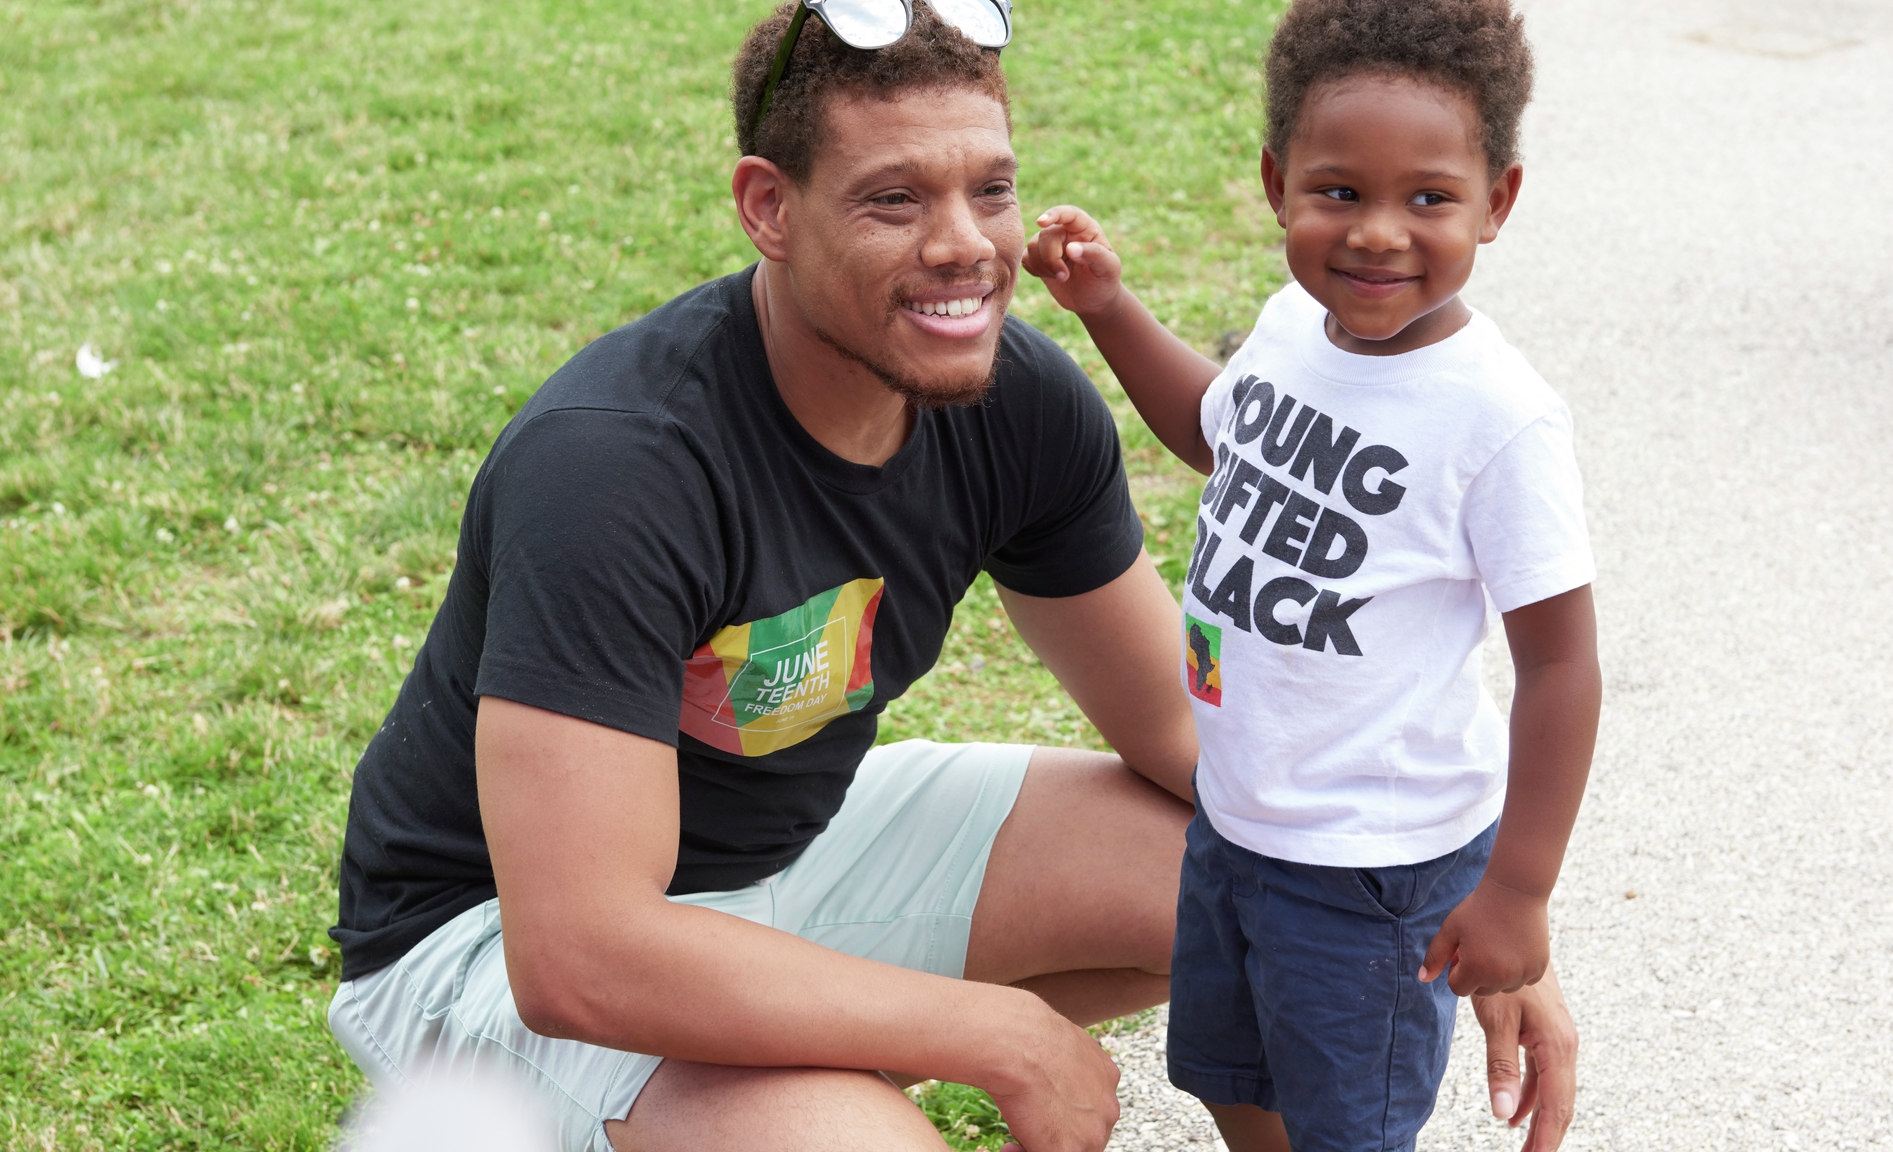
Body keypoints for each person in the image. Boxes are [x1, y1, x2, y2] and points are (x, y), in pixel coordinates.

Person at [325, 3, 1581, 1150]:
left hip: (792, 854)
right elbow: (582, 957)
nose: (964, 248)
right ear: (768, 207)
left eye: (991, 189)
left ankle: (774, 1084)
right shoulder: (616, 466)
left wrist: (1456, 908)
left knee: (1253, 880)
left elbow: (1192, 736)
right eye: (892, 201)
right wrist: (996, 1035)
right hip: (495, 943)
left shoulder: (1011, 401)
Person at [1022, 1, 1600, 1149]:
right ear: (1279, 180)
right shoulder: (1294, 322)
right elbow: (1211, 430)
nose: (1380, 233)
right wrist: (1107, 309)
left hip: (1372, 867)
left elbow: (1561, 666)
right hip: (1239, 818)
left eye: (1429, 197)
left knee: (1347, 1119)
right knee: (1232, 1070)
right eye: (1341, 192)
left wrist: (1520, 893)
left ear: (1499, 201)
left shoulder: (1498, 418)